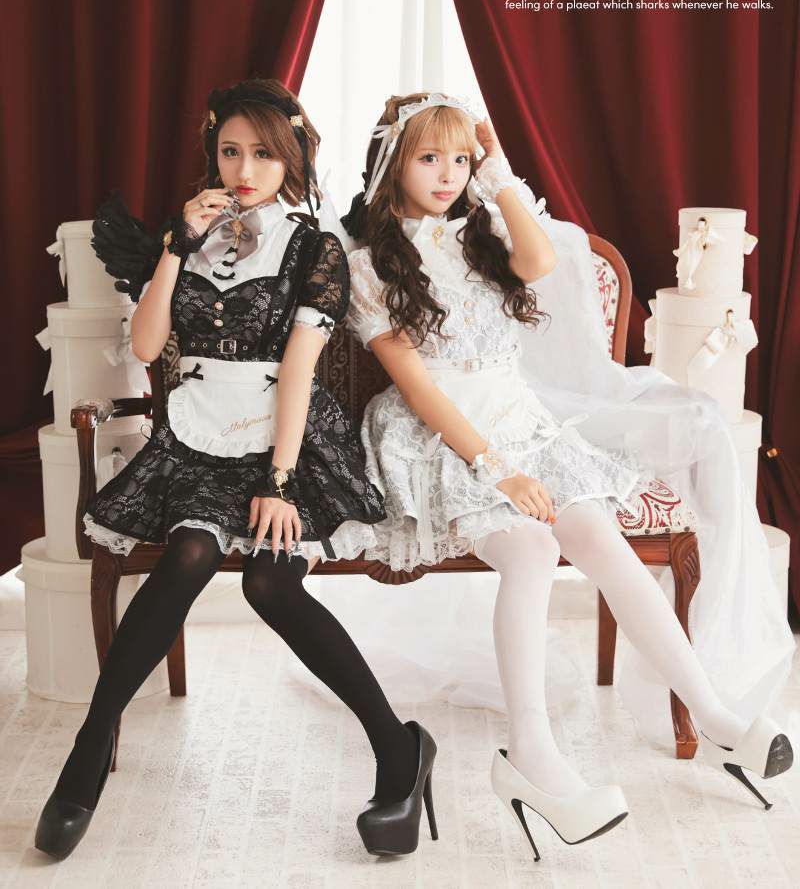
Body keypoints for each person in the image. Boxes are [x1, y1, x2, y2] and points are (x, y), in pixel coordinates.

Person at [337, 91, 794, 861]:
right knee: (533, 548)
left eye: (460, 158)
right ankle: (531, 754)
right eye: (429, 158)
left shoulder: (480, 234)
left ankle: (711, 710)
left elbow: (541, 261)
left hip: (520, 419)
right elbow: (418, 388)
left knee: (598, 536)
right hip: (442, 436)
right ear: (392, 165)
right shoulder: (367, 264)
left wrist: (499, 174)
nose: (448, 174)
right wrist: (495, 469)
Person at [34, 79, 437, 861]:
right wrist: (174, 246)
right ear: (212, 152)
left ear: (291, 158)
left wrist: (279, 483)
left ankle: (398, 748)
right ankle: (89, 748)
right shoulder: (189, 235)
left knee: (269, 583)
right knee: (189, 551)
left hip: (285, 440)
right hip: (198, 434)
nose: (245, 170)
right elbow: (146, 345)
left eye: (263, 154)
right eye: (230, 151)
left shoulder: (313, 248)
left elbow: (299, 371)